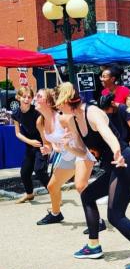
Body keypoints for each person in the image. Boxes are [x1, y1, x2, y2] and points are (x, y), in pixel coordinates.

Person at [56, 83, 130, 269]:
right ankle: (93, 245)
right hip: (114, 166)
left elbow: (108, 135)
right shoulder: (73, 120)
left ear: (65, 101)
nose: (57, 108)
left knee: (115, 216)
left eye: (58, 103)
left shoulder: (92, 112)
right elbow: (84, 152)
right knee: (87, 196)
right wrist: (67, 146)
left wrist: (117, 152)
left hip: (124, 161)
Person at [34, 88, 95, 226]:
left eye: (39, 96)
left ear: (49, 102)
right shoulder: (40, 122)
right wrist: (47, 148)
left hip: (81, 152)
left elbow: (81, 138)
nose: (35, 98)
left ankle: (96, 220)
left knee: (81, 186)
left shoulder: (63, 118)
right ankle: (56, 214)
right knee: (52, 186)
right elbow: (47, 144)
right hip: (67, 156)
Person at [12, 86, 49, 203]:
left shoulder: (37, 112)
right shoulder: (16, 113)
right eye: (24, 97)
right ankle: (29, 194)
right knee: (24, 172)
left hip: (42, 144)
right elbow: (17, 133)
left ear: (32, 99)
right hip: (30, 145)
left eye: (29, 97)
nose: (26, 99)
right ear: (18, 97)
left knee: (39, 170)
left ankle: (55, 194)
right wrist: (30, 142)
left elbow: (44, 130)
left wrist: (46, 145)